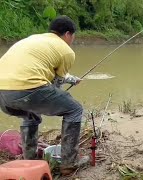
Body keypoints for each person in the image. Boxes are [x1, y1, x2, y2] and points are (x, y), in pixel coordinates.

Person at [0, 15, 88, 175]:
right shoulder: (66, 51)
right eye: (73, 36)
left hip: (3, 95)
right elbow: (56, 83)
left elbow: (46, 71)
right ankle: (69, 163)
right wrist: (61, 92)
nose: (73, 39)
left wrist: (72, 79)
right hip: (26, 89)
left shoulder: (35, 39)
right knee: (74, 109)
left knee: (31, 115)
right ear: (68, 34)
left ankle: (29, 160)